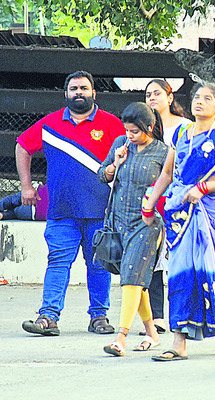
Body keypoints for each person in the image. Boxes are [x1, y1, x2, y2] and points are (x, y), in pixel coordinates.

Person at [142, 80, 215, 361]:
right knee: (179, 275)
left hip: (213, 215)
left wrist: (204, 188)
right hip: (179, 214)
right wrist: (151, 205)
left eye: (207, 98)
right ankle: (179, 343)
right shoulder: (182, 133)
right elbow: (167, 173)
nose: (199, 102)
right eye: (196, 97)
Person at [18, 70, 125, 336]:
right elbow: (22, 146)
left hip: (101, 212)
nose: (79, 92)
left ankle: (99, 318)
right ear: (66, 94)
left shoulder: (112, 125)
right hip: (61, 211)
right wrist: (26, 185)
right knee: (57, 262)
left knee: (99, 265)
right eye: (74, 88)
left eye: (84, 88)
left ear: (94, 93)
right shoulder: (49, 124)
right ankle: (48, 317)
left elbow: (129, 155)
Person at [98, 102, 170, 356]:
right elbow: (102, 174)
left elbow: (171, 187)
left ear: (149, 128)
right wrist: (113, 164)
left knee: (131, 277)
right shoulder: (121, 144)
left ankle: (121, 337)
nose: (130, 135)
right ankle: (152, 333)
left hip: (148, 224)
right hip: (119, 221)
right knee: (136, 280)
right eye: (127, 130)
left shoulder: (163, 153)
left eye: (135, 132)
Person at [143, 79, 194, 335]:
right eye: (148, 94)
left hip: (179, 198)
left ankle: (182, 317)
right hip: (151, 197)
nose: (152, 98)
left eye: (157, 93)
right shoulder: (145, 128)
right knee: (150, 258)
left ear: (170, 97)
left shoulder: (186, 128)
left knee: (175, 260)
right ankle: (157, 317)